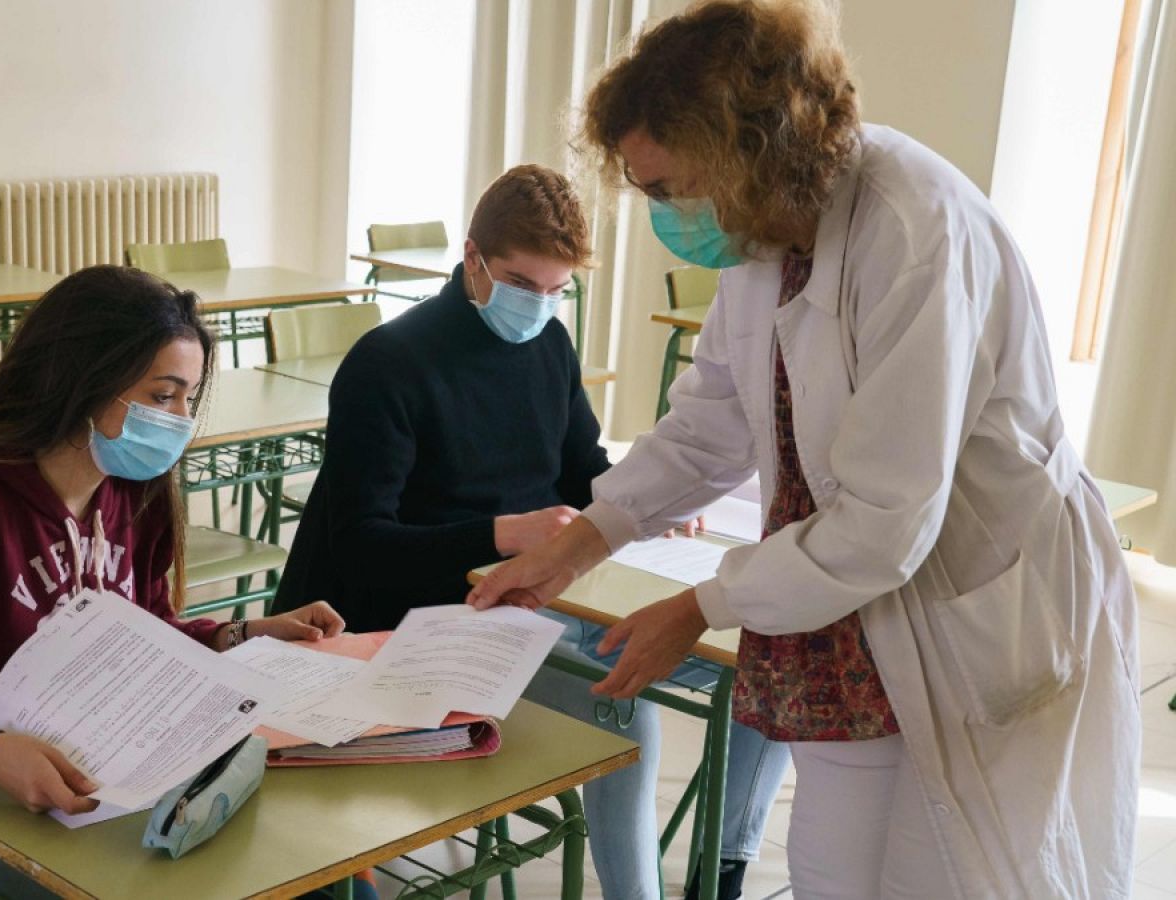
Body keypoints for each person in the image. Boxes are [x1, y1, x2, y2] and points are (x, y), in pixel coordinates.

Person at [468, 2, 1140, 897]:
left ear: (748, 150)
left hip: (964, 601)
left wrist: (700, 605)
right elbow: (709, 422)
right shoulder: (765, 233)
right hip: (846, 615)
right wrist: (578, 545)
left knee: (952, 872)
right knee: (832, 866)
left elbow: (885, 519)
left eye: (670, 187)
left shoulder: (915, 229)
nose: (668, 213)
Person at [274, 164, 789, 900]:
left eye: (556, 290)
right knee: (623, 704)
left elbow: (583, 470)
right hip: (430, 619)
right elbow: (360, 549)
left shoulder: (547, 342)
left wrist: (659, 499)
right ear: (473, 259)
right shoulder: (387, 364)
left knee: (770, 652)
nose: (539, 305)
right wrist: (502, 533)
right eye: (521, 283)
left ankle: (724, 871)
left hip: (538, 597)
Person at [0, 266, 346, 898]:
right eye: (162, 396)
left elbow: (143, 641)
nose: (180, 421)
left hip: (54, 796)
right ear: (81, 380)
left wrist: (242, 635)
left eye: (188, 399)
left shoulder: (134, 493)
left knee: (315, 880)